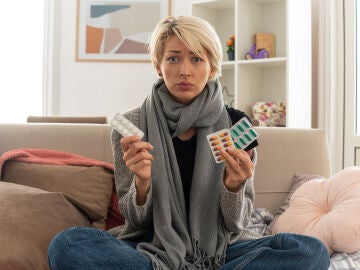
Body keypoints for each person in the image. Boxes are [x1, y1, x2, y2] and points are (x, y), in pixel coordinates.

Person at [47, 15, 330, 270]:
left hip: (223, 249)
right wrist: (142, 184)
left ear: (212, 68)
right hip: (153, 247)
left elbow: (237, 224)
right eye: (173, 58)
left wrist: (234, 187)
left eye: (196, 59)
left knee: (311, 251)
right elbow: (135, 223)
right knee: (68, 244)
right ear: (158, 65)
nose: (184, 70)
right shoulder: (130, 128)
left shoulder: (237, 125)